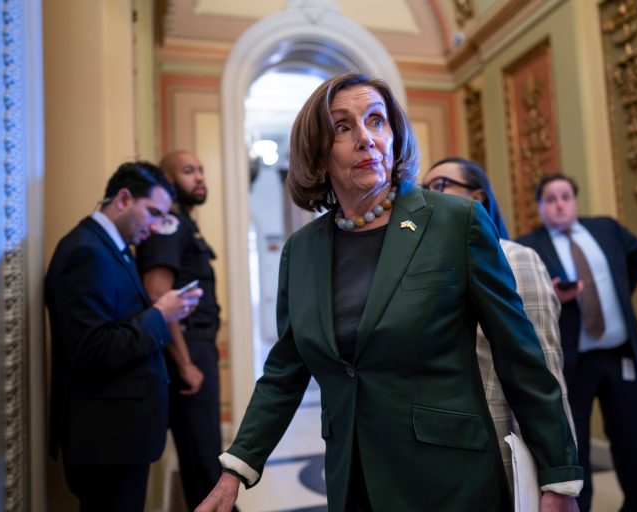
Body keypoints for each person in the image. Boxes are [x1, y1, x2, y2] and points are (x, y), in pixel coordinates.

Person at [197, 73, 582, 512]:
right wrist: (236, 468)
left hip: (449, 480)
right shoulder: (301, 251)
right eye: (343, 127)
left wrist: (559, 476)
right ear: (318, 154)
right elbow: (285, 371)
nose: (366, 138)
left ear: (394, 136)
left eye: (376, 121)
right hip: (353, 480)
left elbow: (521, 356)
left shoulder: (457, 222)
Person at [45, 161, 202, 511]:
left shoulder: (113, 247)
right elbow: (91, 348)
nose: (156, 226)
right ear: (123, 199)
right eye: (153, 213)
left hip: (121, 437)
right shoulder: (85, 251)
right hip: (105, 440)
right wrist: (161, 315)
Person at [422, 156, 575, 487]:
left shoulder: (515, 259)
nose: (429, 197)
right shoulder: (426, 268)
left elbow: (544, 369)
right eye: (424, 189)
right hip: (437, 454)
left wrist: (557, 476)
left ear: (477, 197)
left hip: (495, 448)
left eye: (439, 186)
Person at [516, 174, 637, 512]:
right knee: (576, 448)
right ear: (540, 207)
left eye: (565, 196)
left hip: (620, 355)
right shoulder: (529, 246)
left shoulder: (606, 229)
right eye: (551, 199)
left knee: (632, 439)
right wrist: (553, 296)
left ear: (574, 201)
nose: (560, 204)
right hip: (572, 363)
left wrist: (621, 291)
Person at [137, 150, 231, 511]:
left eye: (201, 170)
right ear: (169, 180)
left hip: (197, 344)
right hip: (187, 346)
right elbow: (158, 293)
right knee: (203, 460)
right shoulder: (170, 224)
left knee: (205, 454)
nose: (199, 177)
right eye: (189, 171)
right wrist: (185, 362)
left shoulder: (185, 224)